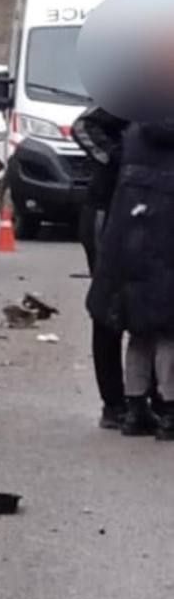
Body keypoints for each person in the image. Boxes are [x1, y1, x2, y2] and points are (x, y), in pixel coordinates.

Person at [86, 116, 174, 439]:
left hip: (130, 234)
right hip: (167, 239)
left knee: (139, 327)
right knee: (168, 330)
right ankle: (169, 409)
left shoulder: (135, 129)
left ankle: (133, 409)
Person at [72, 106, 128, 427]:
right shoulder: (133, 92)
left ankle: (149, 397)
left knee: (155, 304)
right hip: (106, 210)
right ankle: (114, 402)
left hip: (155, 210)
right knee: (110, 306)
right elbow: (84, 127)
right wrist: (118, 159)